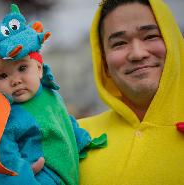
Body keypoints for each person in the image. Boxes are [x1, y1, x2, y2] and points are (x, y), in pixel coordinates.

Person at [0, 4, 106, 185]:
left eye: (22, 68)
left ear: (39, 69)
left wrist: (82, 140)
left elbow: (63, 121)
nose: (15, 80)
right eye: (2, 75)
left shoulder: (50, 94)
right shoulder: (0, 116)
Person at [79, 0, 184, 184]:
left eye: (150, 36)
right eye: (119, 43)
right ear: (104, 62)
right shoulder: (74, 137)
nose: (137, 53)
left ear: (173, 42)